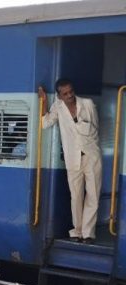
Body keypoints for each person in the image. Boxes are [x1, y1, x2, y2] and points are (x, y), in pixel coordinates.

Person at [39, 78, 102, 243]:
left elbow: (96, 127)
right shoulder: (58, 107)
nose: (69, 95)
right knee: (76, 196)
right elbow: (45, 123)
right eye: (65, 93)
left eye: (71, 91)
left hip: (91, 156)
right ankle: (77, 231)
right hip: (72, 158)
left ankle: (88, 233)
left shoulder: (87, 104)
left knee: (93, 194)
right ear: (59, 96)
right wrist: (43, 101)